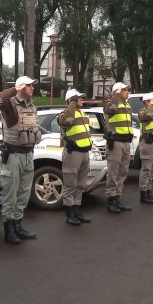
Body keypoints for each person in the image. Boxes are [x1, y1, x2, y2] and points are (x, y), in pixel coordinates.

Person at [0, 76, 42, 244]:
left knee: (23, 193)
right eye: (29, 85)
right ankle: (9, 230)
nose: (32, 88)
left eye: (32, 85)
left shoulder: (31, 105)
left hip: (28, 154)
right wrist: (16, 88)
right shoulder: (11, 104)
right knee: (10, 194)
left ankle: (18, 226)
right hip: (13, 155)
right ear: (21, 87)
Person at [57, 88, 94, 224]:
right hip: (73, 154)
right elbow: (65, 121)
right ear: (70, 100)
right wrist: (71, 104)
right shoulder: (65, 114)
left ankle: (77, 211)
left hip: (84, 153)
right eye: (78, 98)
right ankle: (69, 214)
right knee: (70, 185)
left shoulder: (83, 114)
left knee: (80, 185)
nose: (82, 99)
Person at [104, 82, 135, 213]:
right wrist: (115, 97)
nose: (127, 92)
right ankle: (111, 200)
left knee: (123, 172)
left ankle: (117, 197)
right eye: (125, 90)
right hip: (115, 143)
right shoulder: (111, 103)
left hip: (125, 142)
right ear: (117, 92)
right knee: (113, 172)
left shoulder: (126, 104)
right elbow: (109, 111)